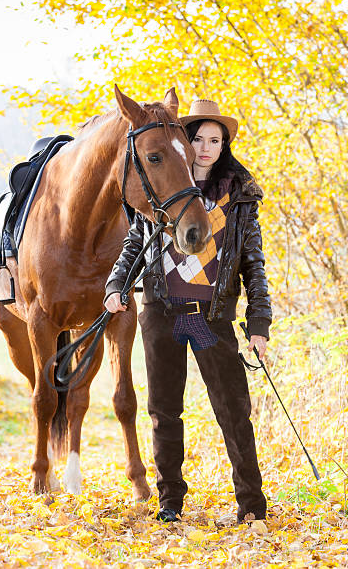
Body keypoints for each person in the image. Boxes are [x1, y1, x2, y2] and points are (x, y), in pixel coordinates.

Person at [104, 99, 272, 523]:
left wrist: (259, 323)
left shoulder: (237, 194)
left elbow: (253, 263)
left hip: (207, 317)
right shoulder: (163, 189)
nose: (205, 147)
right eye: (197, 137)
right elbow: (132, 248)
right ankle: (170, 503)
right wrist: (115, 285)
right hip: (165, 312)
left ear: (224, 145)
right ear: (184, 139)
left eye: (215, 140)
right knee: (164, 411)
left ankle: (252, 506)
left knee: (232, 408)